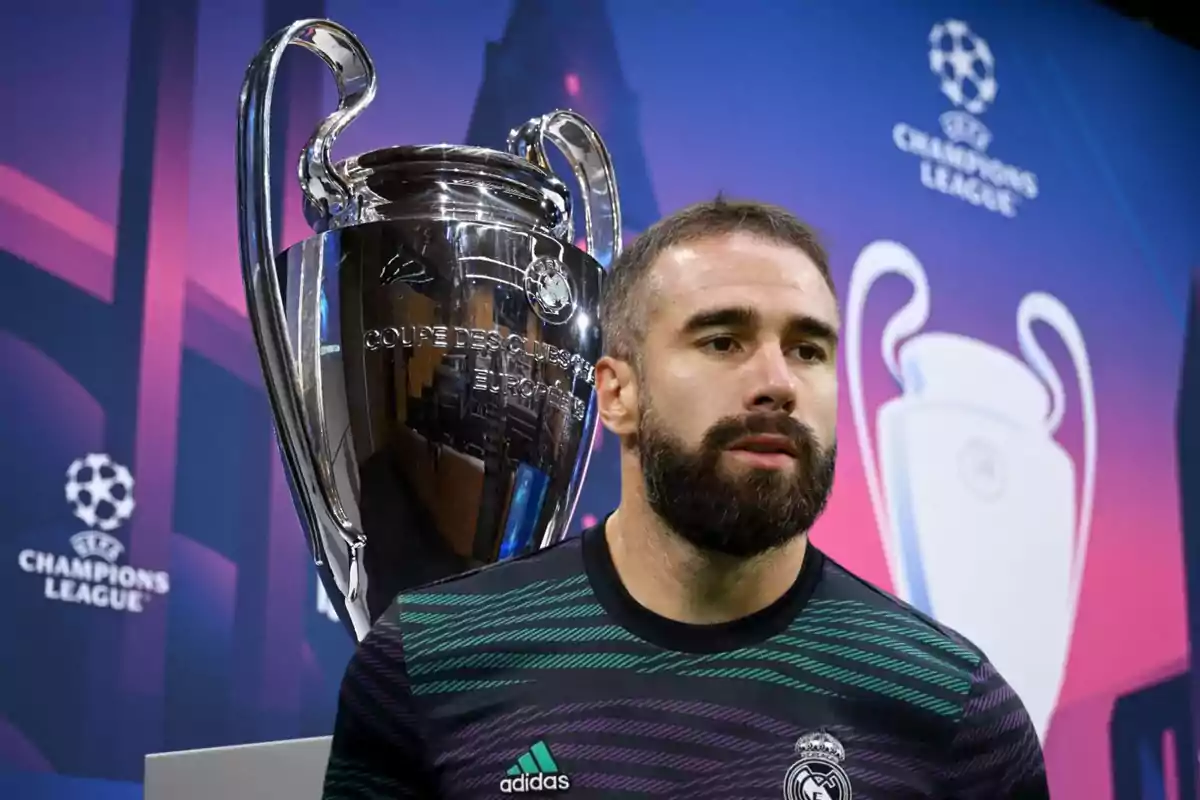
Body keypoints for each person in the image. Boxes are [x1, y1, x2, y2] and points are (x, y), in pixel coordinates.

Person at [319, 198, 1050, 799]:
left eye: (808, 349)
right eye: (723, 341)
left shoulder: (957, 711)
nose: (778, 382)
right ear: (616, 393)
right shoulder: (430, 656)